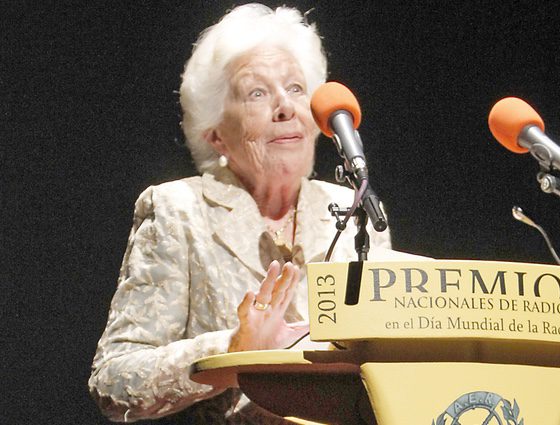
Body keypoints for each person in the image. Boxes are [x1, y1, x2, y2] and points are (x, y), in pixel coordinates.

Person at [88, 4, 391, 423]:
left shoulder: (353, 210)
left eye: (297, 89)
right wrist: (230, 352)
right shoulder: (179, 213)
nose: (285, 107)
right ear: (216, 135)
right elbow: (115, 382)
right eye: (258, 93)